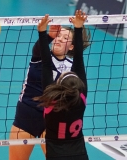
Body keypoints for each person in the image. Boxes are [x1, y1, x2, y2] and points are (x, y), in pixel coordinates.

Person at [9, 11, 90, 160]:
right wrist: (48, 35)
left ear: (72, 47)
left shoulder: (72, 69)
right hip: (27, 115)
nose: (58, 40)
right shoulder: (39, 57)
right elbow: (39, 49)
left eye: (65, 38)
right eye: (58, 36)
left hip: (54, 120)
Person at [33, 10, 89, 159]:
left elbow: (46, 64)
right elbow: (78, 59)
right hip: (80, 154)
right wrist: (78, 28)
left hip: (55, 155)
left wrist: (41, 32)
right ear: (78, 87)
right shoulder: (81, 99)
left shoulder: (51, 100)